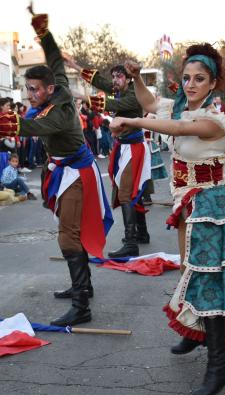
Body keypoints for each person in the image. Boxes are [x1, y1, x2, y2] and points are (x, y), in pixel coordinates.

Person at [114, 45, 225, 395]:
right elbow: (149, 103)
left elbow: (172, 125)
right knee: (192, 272)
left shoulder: (213, 121)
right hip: (190, 202)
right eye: (187, 78)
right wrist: (136, 78)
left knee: (209, 281)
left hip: (213, 204)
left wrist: (133, 122)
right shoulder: (179, 106)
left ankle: (219, 364)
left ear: (213, 84)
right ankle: (198, 335)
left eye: (199, 79)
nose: (191, 84)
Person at [0, 8, 113, 327]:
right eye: (28, 89)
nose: (30, 95)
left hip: (76, 173)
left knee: (68, 237)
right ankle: (80, 286)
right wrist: (44, 32)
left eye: (35, 90)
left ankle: (82, 304)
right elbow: (56, 59)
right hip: (62, 170)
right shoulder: (54, 83)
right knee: (70, 232)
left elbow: (32, 127)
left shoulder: (58, 111)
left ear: (47, 90)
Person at [64, 55, 153, 255]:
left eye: (119, 76)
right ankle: (142, 233)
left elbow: (112, 105)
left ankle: (131, 243)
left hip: (133, 148)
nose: (114, 80)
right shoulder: (119, 91)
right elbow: (98, 80)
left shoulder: (133, 95)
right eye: (113, 76)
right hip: (124, 147)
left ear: (129, 79)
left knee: (126, 194)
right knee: (131, 192)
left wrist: (82, 96)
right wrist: (73, 65)